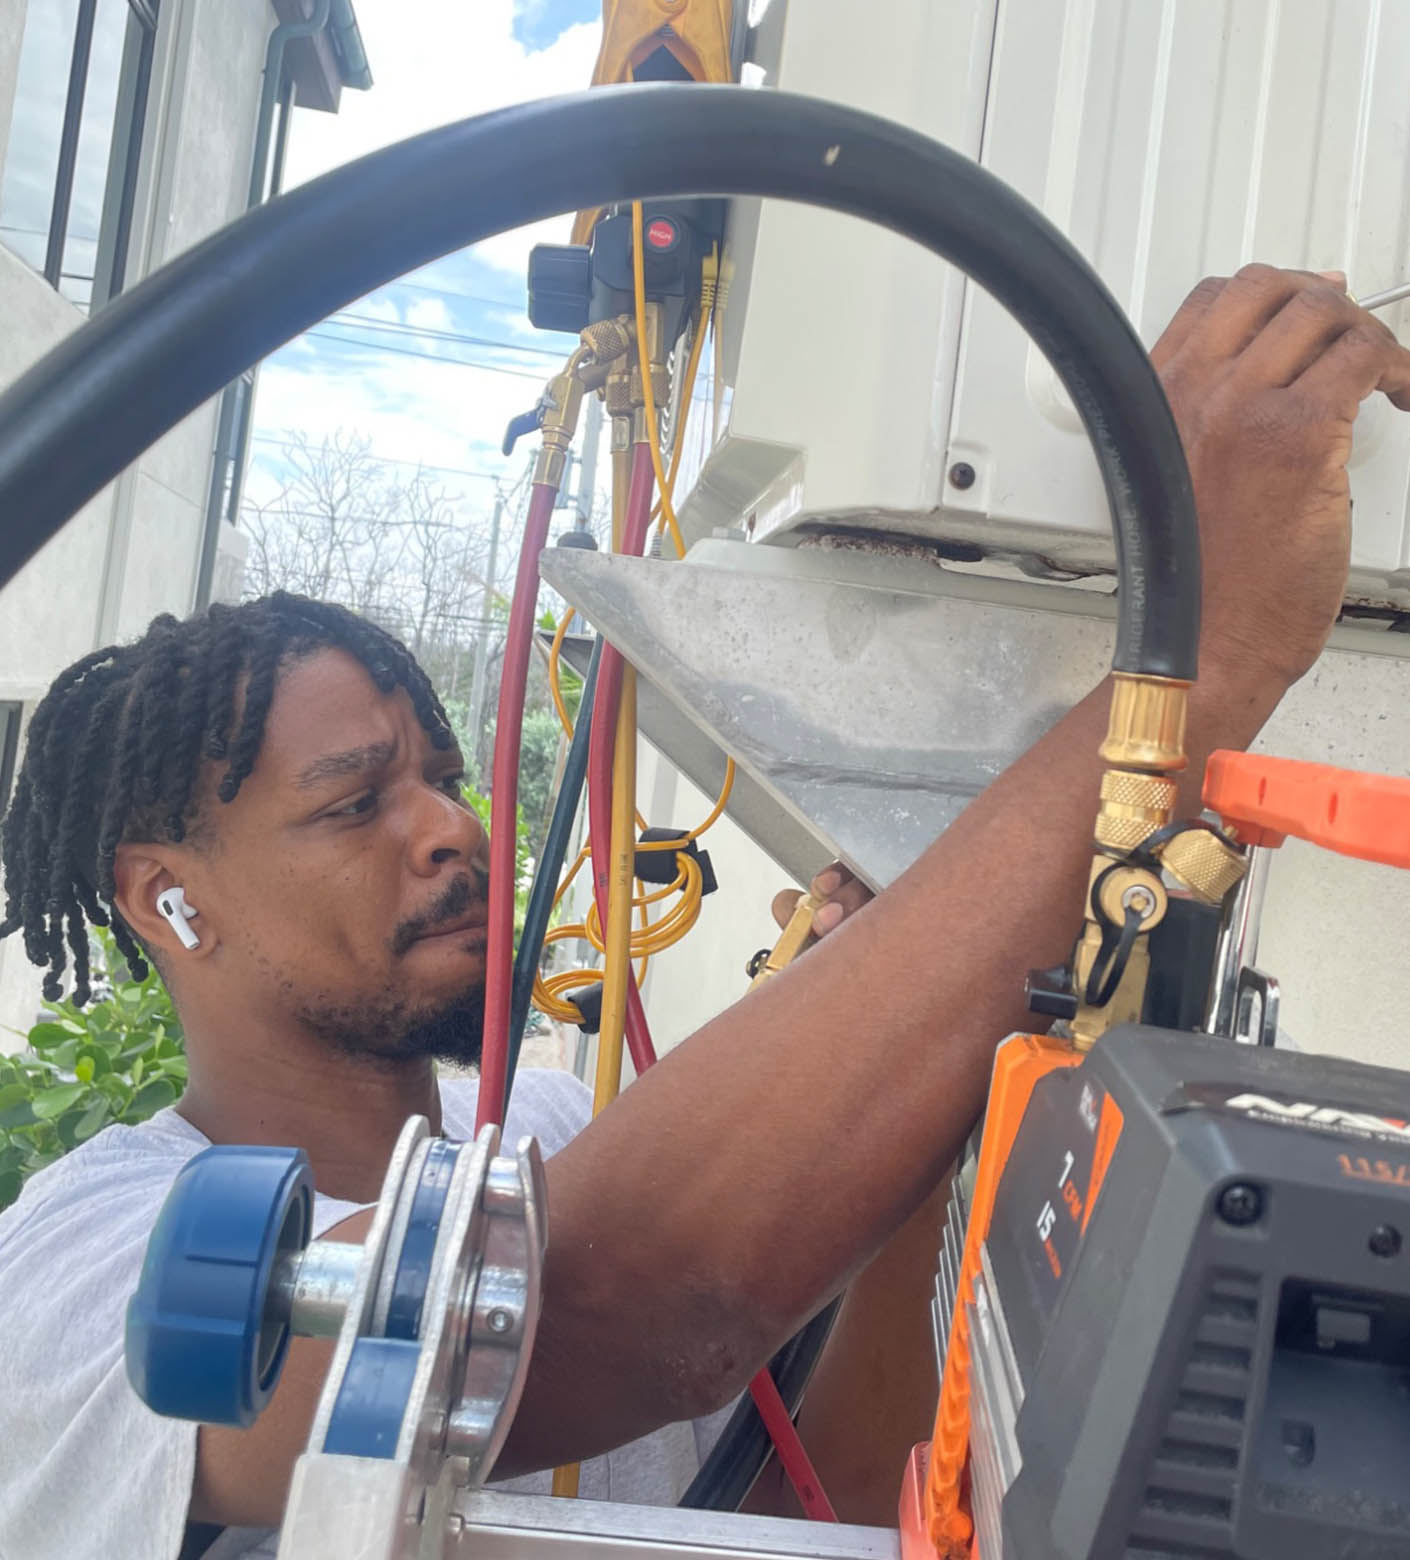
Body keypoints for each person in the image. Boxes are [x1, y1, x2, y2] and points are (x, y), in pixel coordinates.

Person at [0, 265, 1406, 1560]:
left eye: (440, 775)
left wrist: (920, 1084)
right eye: (353, 802)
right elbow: (624, 1299)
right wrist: (1196, 659)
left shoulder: (549, 1131)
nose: (450, 826)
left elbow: (830, 1487)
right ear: (166, 895)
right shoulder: (79, 1263)